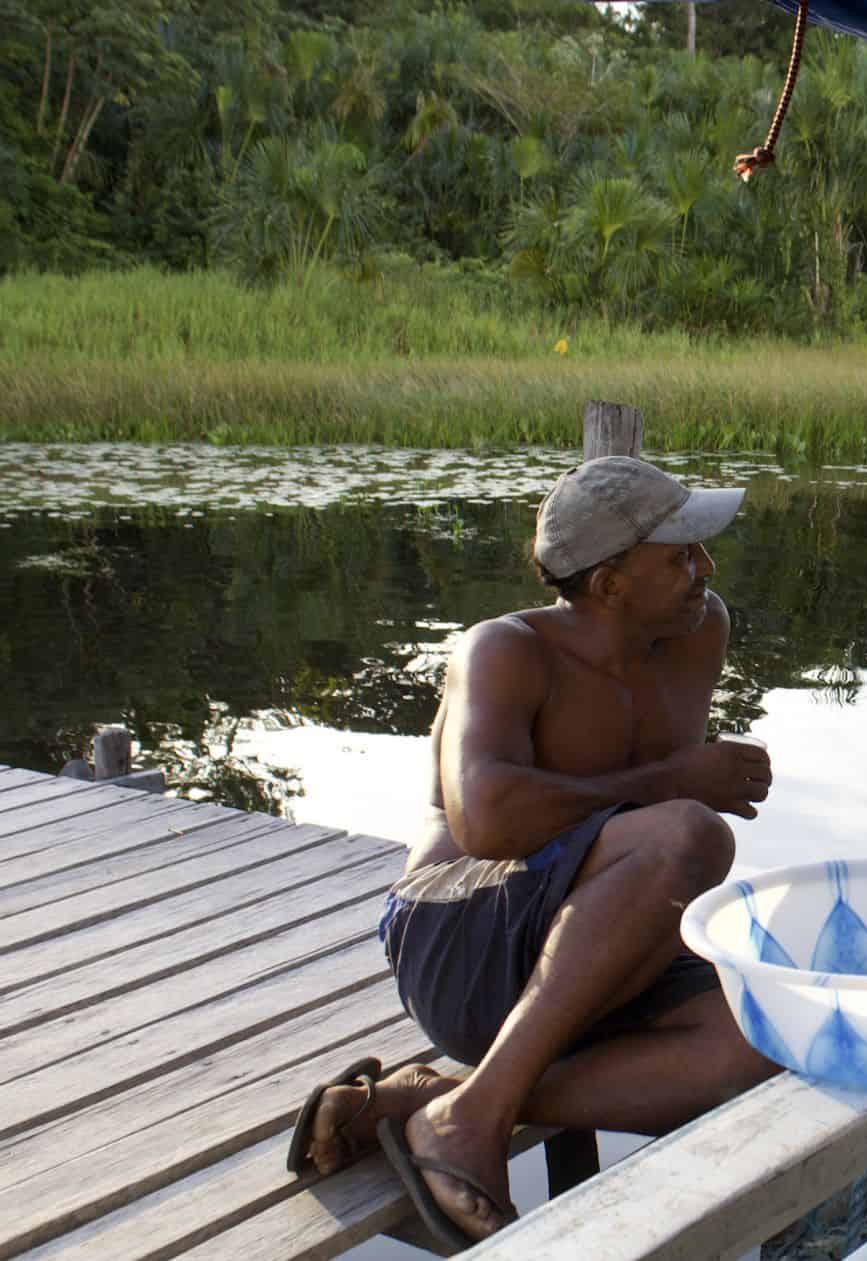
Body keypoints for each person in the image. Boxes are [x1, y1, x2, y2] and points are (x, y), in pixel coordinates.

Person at [285, 455, 781, 1248]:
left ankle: (447, 1103)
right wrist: (677, 777)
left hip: (598, 938)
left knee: (765, 1040)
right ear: (610, 582)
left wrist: (675, 781)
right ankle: (472, 1114)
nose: (705, 569)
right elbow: (485, 821)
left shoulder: (696, 631)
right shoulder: (502, 651)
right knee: (691, 830)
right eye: (680, 554)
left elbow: (633, 821)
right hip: (458, 939)